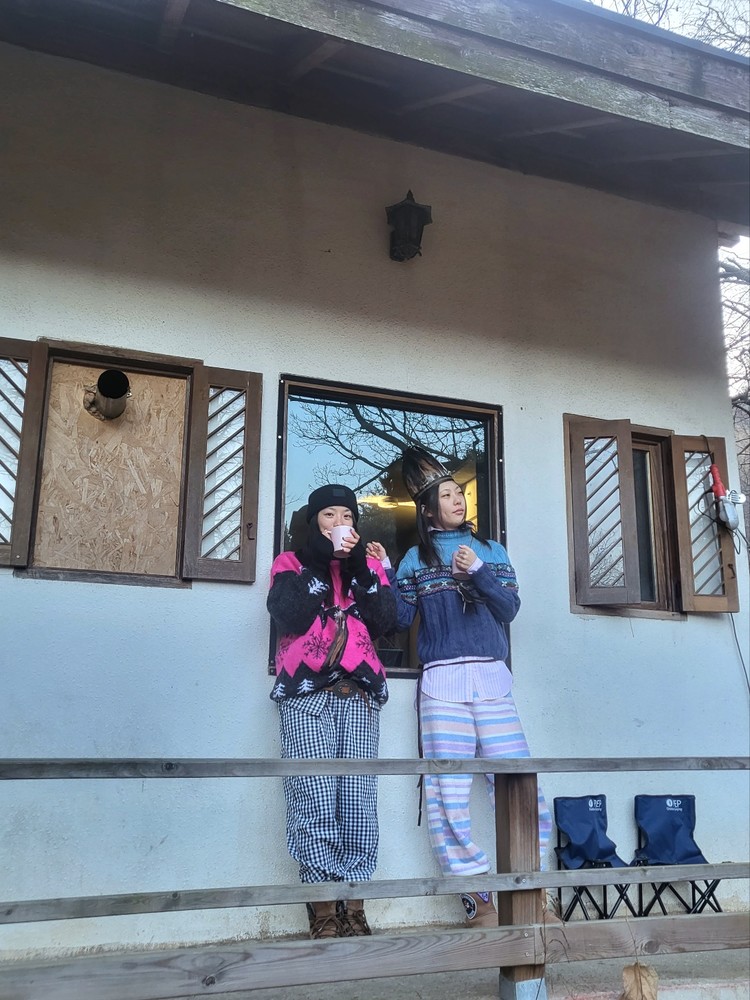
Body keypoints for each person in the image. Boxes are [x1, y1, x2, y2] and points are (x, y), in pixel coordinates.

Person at [367, 447, 552, 929]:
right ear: (428, 511)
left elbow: (509, 611)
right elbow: (399, 619)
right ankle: (477, 899)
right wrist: (384, 572)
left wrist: (479, 573)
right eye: (446, 495)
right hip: (442, 685)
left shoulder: (491, 551)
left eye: (459, 492)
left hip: (492, 680)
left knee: (518, 784)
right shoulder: (416, 558)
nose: (457, 499)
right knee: (446, 792)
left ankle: (532, 895)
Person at [267, 483, 396, 939]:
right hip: (305, 695)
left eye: (347, 516)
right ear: (313, 522)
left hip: (358, 693)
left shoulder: (368, 566)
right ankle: (322, 905)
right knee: (314, 796)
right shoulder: (290, 564)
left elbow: (386, 622)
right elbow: (289, 615)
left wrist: (360, 566)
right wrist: (321, 561)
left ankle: (354, 902)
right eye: (329, 515)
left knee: (359, 801)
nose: (339, 523)